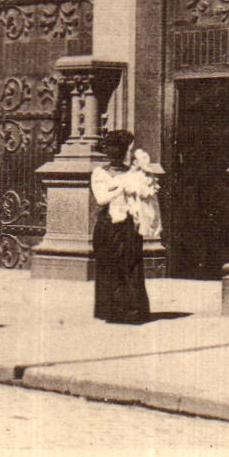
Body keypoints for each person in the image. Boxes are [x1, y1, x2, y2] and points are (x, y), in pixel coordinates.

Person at [90, 130, 150, 324]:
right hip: (109, 226)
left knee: (131, 264)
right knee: (112, 265)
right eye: (114, 150)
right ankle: (113, 310)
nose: (117, 154)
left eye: (121, 150)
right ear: (108, 152)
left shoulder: (132, 172)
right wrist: (121, 188)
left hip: (130, 225)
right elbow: (100, 200)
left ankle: (132, 309)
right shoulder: (100, 173)